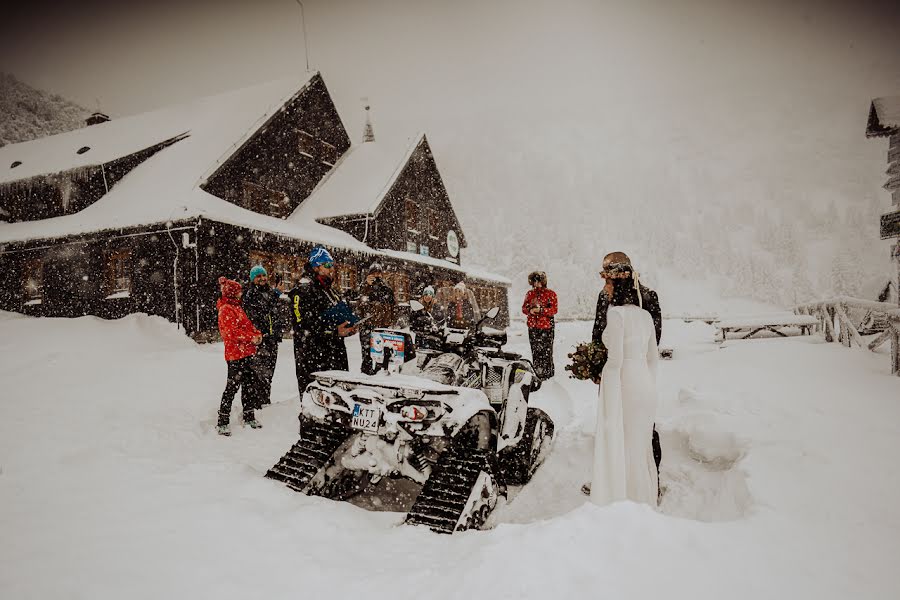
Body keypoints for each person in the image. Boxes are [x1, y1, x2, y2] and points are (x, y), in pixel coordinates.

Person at [589, 261, 659, 507]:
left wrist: (603, 377)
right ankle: (645, 498)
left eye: (608, 282)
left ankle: (622, 497)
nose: (605, 288)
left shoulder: (616, 314)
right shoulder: (646, 315)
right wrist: (647, 380)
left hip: (626, 381)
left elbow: (616, 360)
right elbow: (653, 358)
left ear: (618, 284)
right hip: (645, 383)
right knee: (640, 446)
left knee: (621, 440)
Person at [287, 246, 357, 397]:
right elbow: (302, 327)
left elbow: (333, 316)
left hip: (334, 354)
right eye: (326, 265)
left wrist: (348, 326)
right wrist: (334, 331)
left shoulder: (328, 288)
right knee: (315, 405)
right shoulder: (302, 290)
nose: (331, 268)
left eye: (331, 264)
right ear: (316, 266)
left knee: (340, 400)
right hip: (313, 356)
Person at [216, 276, 263, 436]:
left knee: (249, 386)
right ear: (232, 293)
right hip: (235, 355)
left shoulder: (237, 308)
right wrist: (250, 337)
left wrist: (257, 334)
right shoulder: (225, 309)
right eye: (239, 291)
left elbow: (248, 326)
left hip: (247, 352)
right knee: (232, 387)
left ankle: (249, 416)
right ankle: (222, 421)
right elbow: (230, 333)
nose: (241, 293)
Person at [242, 265, 285, 406]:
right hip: (260, 341)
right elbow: (262, 311)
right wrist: (276, 294)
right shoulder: (251, 294)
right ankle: (258, 403)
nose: (262, 278)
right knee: (259, 374)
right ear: (253, 279)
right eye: (258, 276)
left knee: (269, 374)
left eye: (264, 275)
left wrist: (278, 331)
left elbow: (275, 314)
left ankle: (265, 401)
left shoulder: (270, 292)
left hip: (272, 339)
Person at [356, 262, 396, 375]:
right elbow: (358, 306)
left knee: (382, 355)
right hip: (367, 326)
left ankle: (380, 374)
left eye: (379, 273)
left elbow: (393, 308)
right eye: (374, 273)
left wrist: (390, 323)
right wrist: (366, 286)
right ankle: (365, 375)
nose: (377, 276)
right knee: (367, 354)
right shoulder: (364, 287)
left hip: (382, 327)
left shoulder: (387, 289)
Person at [522, 271, 558, 381]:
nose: (536, 284)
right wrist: (530, 310)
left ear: (543, 281)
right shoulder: (529, 294)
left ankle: (548, 373)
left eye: (538, 281)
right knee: (535, 350)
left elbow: (554, 310)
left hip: (546, 327)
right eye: (534, 282)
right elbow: (524, 308)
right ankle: (537, 371)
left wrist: (541, 310)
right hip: (533, 326)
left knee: (547, 351)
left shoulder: (551, 294)